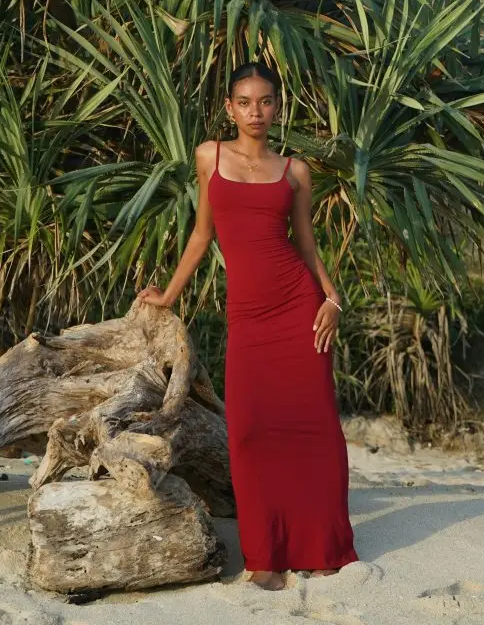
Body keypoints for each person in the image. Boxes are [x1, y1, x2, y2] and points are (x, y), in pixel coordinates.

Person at [137, 62, 358, 591]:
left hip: (299, 308)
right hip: (250, 317)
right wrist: (168, 294)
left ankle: (321, 547)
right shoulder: (209, 156)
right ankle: (266, 555)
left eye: (265, 101)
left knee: (316, 431)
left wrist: (333, 298)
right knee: (252, 430)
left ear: (277, 106)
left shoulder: (295, 170)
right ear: (229, 108)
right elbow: (201, 234)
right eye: (244, 101)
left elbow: (305, 244)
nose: (255, 112)